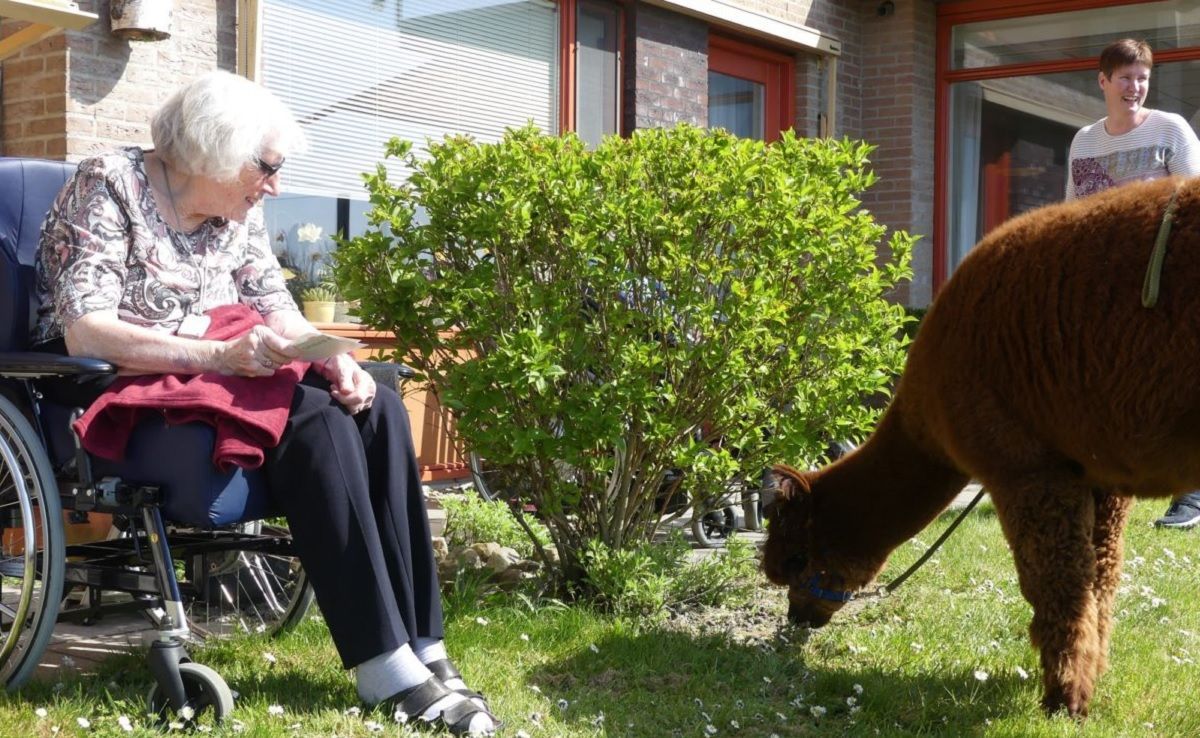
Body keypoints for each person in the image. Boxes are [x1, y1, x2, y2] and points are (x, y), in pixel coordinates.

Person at [31, 70, 498, 735]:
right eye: (268, 167)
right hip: (115, 384)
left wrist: (332, 358)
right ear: (214, 152)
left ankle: (426, 647)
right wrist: (218, 355)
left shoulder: (236, 210)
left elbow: (270, 301)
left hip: (214, 374)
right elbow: (88, 331)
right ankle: (384, 668)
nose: (275, 186)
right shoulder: (108, 185)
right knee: (313, 420)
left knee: (378, 404)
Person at [1065, 38, 1200, 529]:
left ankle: (1191, 493)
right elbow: (1073, 216)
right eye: (1125, 77)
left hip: (1167, 285)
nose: (1135, 86)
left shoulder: (1171, 129)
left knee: (1178, 381)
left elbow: (1196, 206)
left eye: (1142, 77)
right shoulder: (1084, 142)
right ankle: (1108, 483)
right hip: (1106, 292)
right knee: (1115, 386)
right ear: (1103, 81)